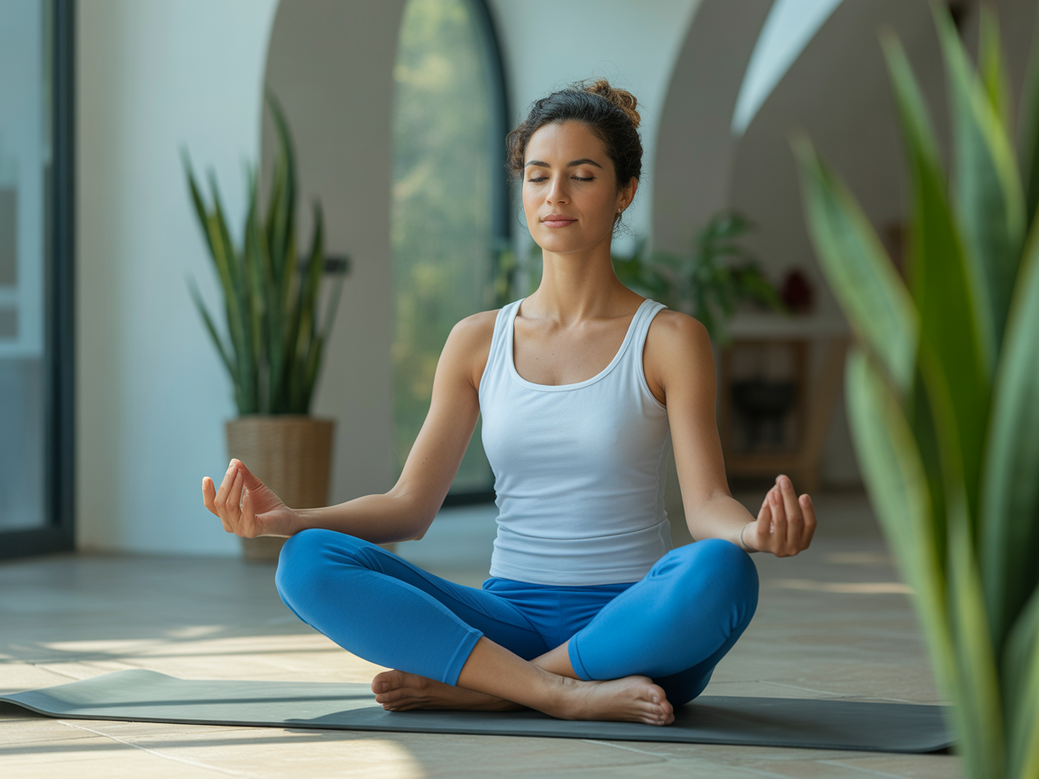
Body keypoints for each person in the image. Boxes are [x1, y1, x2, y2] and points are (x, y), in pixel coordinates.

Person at [202, 79, 816, 727]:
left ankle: (495, 688)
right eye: (536, 175)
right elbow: (409, 507)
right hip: (508, 620)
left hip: (636, 625)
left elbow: (705, 508)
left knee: (723, 569)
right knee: (308, 559)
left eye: (581, 176)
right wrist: (286, 518)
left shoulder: (667, 339)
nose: (554, 195)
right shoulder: (476, 340)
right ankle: (554, 690)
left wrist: (751, 533)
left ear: (623, 192)